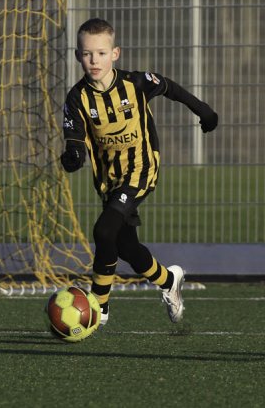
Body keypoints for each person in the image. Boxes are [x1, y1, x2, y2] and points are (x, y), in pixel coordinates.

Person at [60, 18, 218, 326]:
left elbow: (171, 88)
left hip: (142, 168)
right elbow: (75, 142)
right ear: (78, 55)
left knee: (104, 231)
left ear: (115, 53)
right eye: (87, 54)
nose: (94, 61)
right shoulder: (77, 98)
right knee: (126, 247)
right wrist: (73, 158)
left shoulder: (135, 83)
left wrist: (204, 111)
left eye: (101, 53)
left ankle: (99, 307)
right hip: (109, 179)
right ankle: (169, 281)